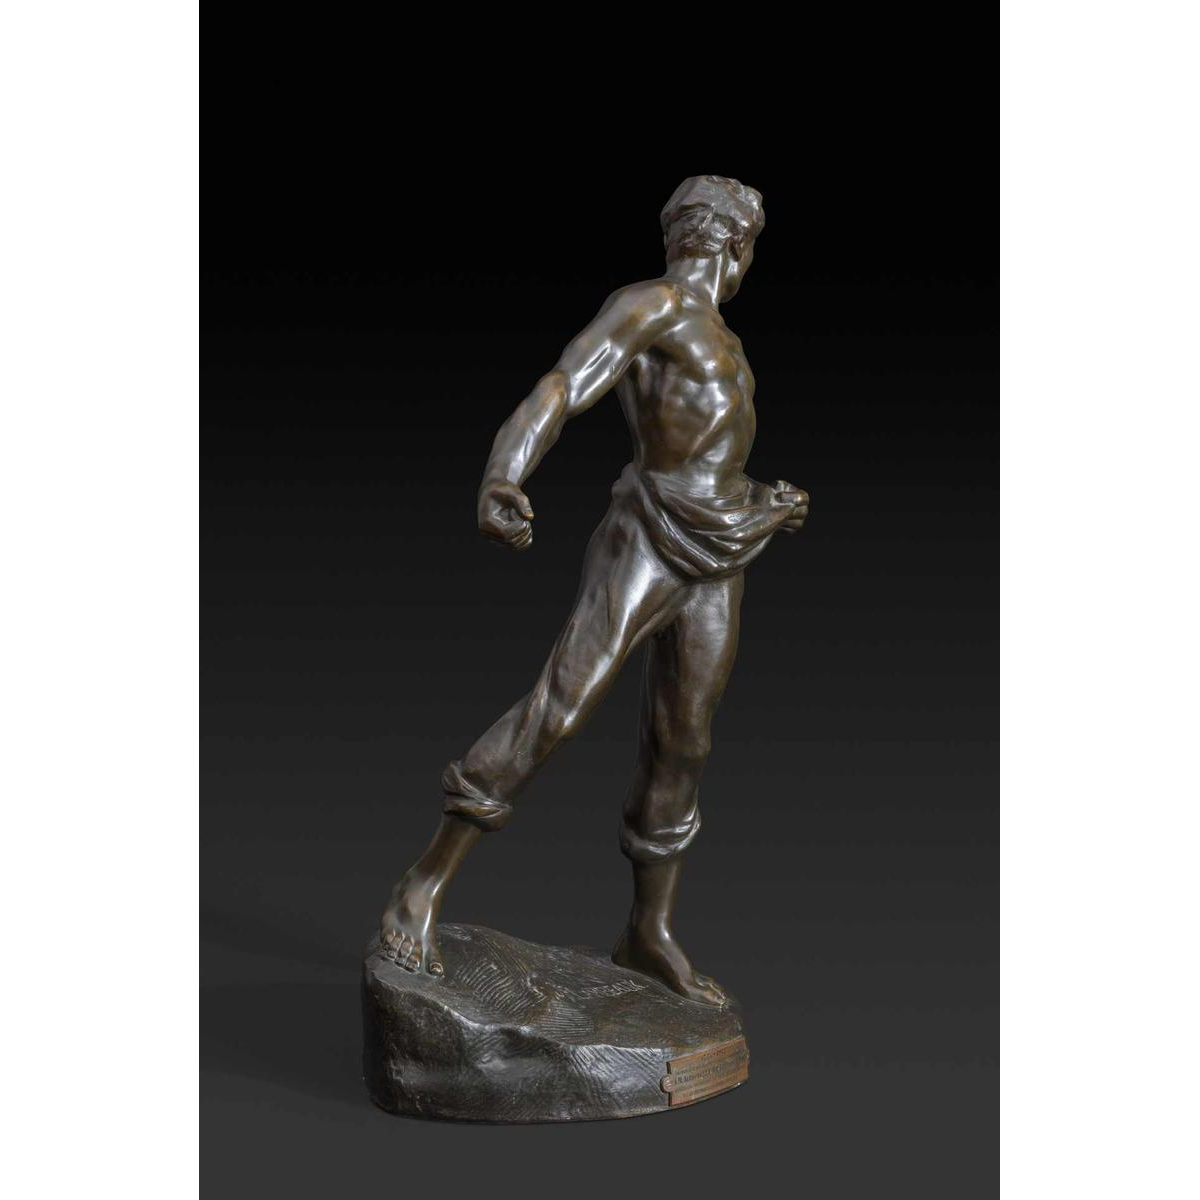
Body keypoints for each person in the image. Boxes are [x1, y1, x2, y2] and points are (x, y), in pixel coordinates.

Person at [380, 175, 808, 1005]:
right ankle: (422, 885)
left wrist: (766, 505)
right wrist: (503, 473)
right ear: (735, 243)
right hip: (649, 534)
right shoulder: (654, 305)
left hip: (720, 554)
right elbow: (564, 385)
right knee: (563, 703)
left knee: (684, 743)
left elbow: (713, 457)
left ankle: (648, 932)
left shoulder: (723, 336)